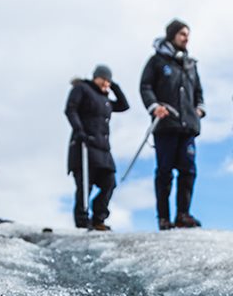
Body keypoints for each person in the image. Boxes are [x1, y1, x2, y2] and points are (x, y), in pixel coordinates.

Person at [140, 19, 206, 230]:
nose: (186, 38)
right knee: (165, 171)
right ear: (172, 36)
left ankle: (183, 214)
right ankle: (164, 217)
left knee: (188, 170)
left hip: (187, 126)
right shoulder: (157, 61)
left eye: (188, 34)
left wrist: (199, 108)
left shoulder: (190, 64)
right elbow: (146, 86)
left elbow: (198, 91)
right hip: (165, 125)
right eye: (182, 34)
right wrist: (154, 106)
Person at [65, 65, 130, 230]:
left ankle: (98, 218)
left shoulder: (106, 99)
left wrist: (114, 85)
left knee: (109, 182)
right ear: (96, 77)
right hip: (84, 145)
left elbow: (124, 105)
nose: (106, 84)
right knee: (85, 185)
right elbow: (70, 109)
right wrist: (79, 130)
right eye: (104, 79)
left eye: (109, 81)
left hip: (103, 149)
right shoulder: (82, 89)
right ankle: (82, 221)